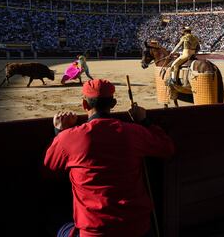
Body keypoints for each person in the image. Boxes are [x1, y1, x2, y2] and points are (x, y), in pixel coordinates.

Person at [44, 79, 175, 237]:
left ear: (85, 105)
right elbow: (167, 148)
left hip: (95, 232)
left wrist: (60, 133)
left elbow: (49, 167)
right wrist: (144, 121)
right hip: (137, 228)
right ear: (113, 104)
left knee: (53, 221)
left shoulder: (70, 137)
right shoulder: (134, 132)